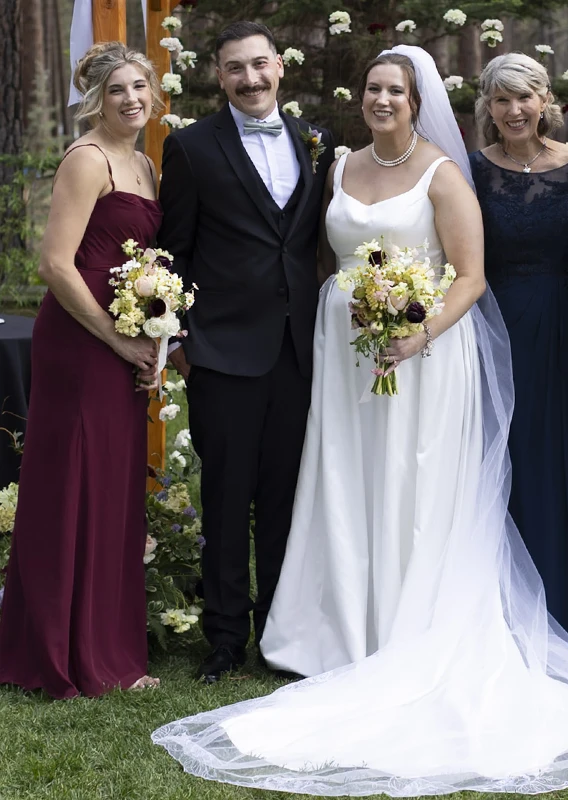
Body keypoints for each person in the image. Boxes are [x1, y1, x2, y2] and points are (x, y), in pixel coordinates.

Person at [153, 46, 568, 794]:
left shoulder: (508, 174)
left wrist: (415, 329)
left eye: (395, 90)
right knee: (350, 486)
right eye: (372, 87)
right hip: (347, 360)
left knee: (480, 489)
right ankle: (345, 628)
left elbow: (482, 276)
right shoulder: (336, 163)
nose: (382, 99)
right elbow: (308, 258)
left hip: (463, 354)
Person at [157, 21, 335, 685]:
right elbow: (173, 249)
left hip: (298, 350)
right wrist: (179, 340)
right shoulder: (192, 147)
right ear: (220, 77)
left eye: (259, 65)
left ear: (279, 67)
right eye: (236, 69)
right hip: (224, 351)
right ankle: (224, 640)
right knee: (229, 501)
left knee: (288, 499)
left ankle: (282, 637)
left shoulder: (315, 142)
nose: (251, 79)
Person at [0, 42, 162, 699]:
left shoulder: (146, 164)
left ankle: (112, 646)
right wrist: (116, 340)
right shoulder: (87, 158)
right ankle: (56, 652)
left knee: (114, 490)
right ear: (96, 98)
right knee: (73, 486)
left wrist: (155, 332)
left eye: (139, 88)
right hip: (79, 339)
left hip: (125, 338)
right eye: (117, 90)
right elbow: (56, 264)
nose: (130, 99)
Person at [469, 53, 568, 655]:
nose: (513, 111)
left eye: (523, 98)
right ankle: (500, 609)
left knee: (565, 461)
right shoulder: (471, 172)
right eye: (500, 100)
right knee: (502, 461)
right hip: (493, 329)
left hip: (565, 332)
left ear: (544, 101)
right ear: (487, 106)